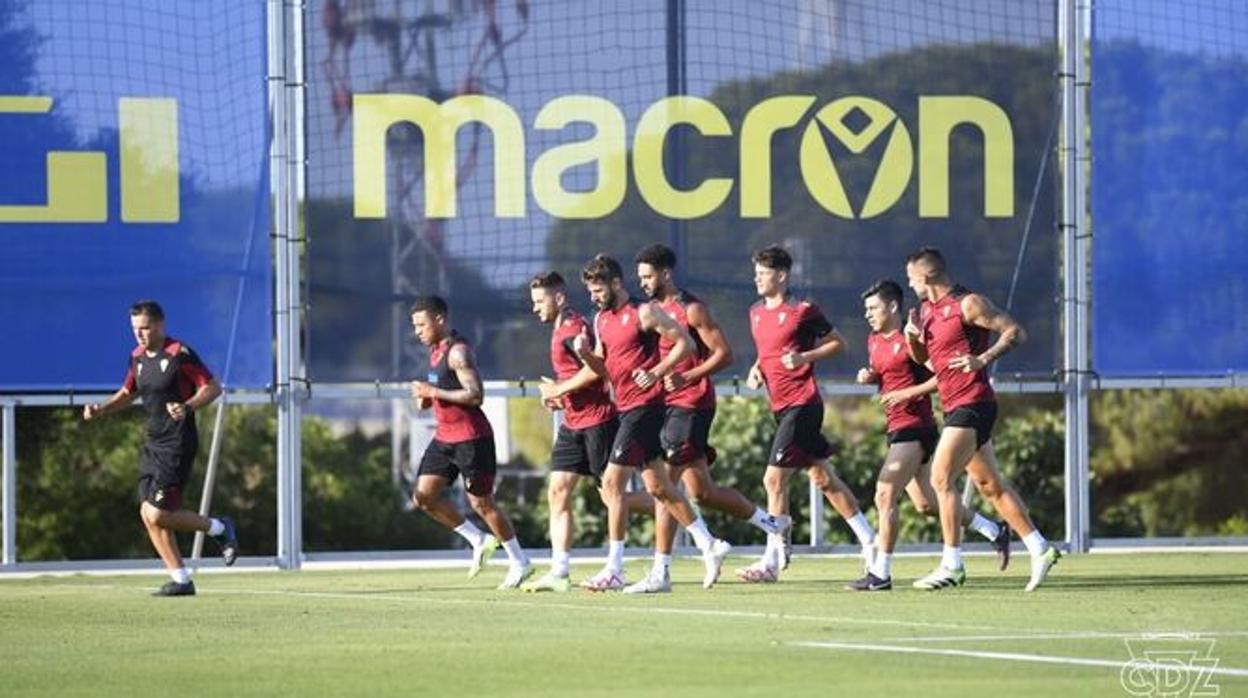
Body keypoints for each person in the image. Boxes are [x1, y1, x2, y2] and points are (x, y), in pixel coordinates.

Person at [625, 244, 790, 594]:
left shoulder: (692, 309)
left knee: (663, 488)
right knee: (702, 491)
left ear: (666, 274)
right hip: (666, 406)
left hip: (692, 403)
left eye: (648, 276)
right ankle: (773, 524)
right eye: (639, 277)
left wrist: (689, 376)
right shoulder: (650, 312)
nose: (643, 283)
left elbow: (724, 354)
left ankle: (663, 571)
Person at [903, 247, 1060, 591]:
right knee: (991, 486)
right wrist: (913, 339)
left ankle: (952, 564)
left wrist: (982, 358)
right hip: (954, 405)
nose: (909, 283)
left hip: (974, 404)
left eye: (911, 277)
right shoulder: (926, 312)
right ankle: (1041, 548)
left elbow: (1015, 332)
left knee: (941, 479)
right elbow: (926, 362)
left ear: (926, 276)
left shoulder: (969, 303)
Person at [574, 254, 732, 591]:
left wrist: (657, 373)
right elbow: (604, 368)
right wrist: (586, 354)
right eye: (590, 291)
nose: (594, 296)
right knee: (660, 488)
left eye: (598, 289)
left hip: (647, 408)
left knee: (612, 484)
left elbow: (686, 344)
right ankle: (710, 545)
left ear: (616, 284)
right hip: (626, 407)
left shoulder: (643, 312)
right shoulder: (601, 319)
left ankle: (614, 568)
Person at [845, 280, 1010, 592]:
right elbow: (887, 373)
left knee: (884, 493)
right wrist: (870, 376)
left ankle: (880, 573)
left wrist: (907, 392)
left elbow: (942, 375)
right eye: (865, 309)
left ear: (892, 307)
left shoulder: (912, 340)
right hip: (895, 427)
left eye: (873, 308)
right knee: (925, 504)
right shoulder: (873, 340)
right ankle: (993, 529)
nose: (868, 314)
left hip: (915, 427)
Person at [736, 246, 876, 584]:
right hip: (779, 405)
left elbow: (838, 344)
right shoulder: (755, 311)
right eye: (755, 271)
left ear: (781, 276)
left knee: (773, 480)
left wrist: (805, 357)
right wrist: (757, 369)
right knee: (823, 478)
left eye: (763, 272)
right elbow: (767, 351)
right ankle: (870, 540)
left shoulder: (803, 310)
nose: (756, 277)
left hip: (804, 404)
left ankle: (770, 559)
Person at [82, 300, 238, 597]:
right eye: (135, 329)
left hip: (177, 443)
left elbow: (212, 388)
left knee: (157, 513)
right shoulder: (137, 357)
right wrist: (101, 410)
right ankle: (181, 579)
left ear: (160, 325)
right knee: (147, 513)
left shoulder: (180, 353)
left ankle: (219, 527)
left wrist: (188, 406)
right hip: (153, 443)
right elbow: (128, 392)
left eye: (145, 327)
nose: (139, 334)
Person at [524, 271, 654, 592]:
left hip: (598, 421)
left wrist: (559, 389)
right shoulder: (559, 327)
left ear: (559, 298)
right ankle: (559, 570)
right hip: (573, 423)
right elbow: (574, 376)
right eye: (533, 302)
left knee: (611, 495)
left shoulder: (572, 327)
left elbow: (596, 372)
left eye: (540, 301)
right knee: (558, 491)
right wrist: (561, 396)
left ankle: (676, 509)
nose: (535, 308)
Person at [407, 295, 532, 589]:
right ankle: (479, 540)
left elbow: (476, 395)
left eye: (421, 325)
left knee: (482, 503)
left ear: (440, 320)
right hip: (444, 437)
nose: (417, 331)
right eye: (414, 326)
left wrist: (434, 392)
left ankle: (520, 562)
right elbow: (441, 392)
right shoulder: (435, 351)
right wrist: (427, 397)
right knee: (423, 496)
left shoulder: (458, 352)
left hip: (472, 439)